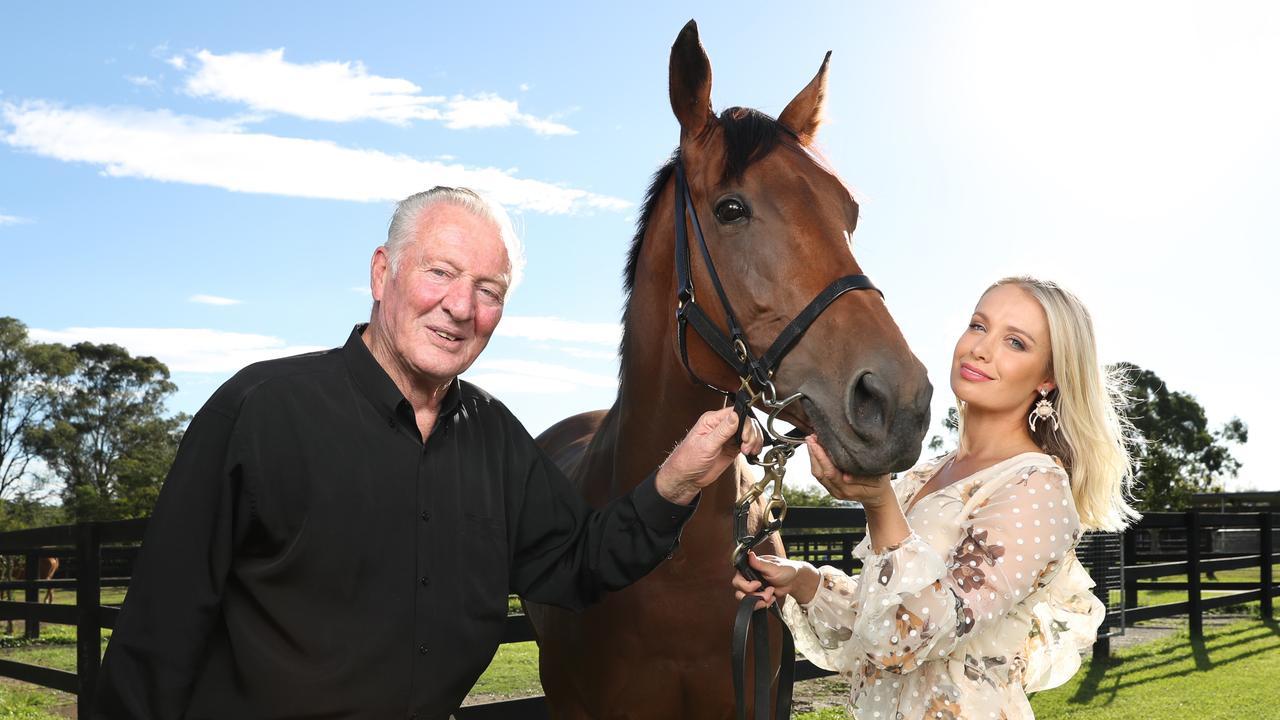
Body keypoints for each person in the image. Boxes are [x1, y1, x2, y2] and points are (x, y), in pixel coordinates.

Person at [94, 186, 760, 720]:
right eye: (439, 272)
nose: (460, 306)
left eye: (489, 290)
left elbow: (579, 563)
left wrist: (676, 478)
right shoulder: (259, 412)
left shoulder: (497, 439)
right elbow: (156, 641)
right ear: (383, 272)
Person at [734, 276, 1138, 719]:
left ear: (1048, 378)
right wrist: (804, 582)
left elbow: (904, 639)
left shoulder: (1036, 489)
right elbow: (875, 623)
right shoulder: (928, 474)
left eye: (1016, 342)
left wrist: (879, 503)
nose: (980, 349)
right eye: (978, 326)